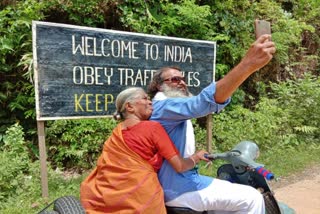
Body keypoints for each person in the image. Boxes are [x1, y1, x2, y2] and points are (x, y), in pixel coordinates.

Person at [147, 34, 276, 213]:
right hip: (179, 188)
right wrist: (248, 64)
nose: (182, 83)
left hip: (177, 181)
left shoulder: (167, 108)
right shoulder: (164, 105)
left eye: (183, 79)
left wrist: (197, 155)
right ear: (159, 86)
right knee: (251, 197)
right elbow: (203, 103)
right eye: (174, 79)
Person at [80, 87, 209, 214]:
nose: (150, 102)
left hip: (106, 197)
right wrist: (196, 157)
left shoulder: (117, 132)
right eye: (145, 98)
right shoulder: (153, 128)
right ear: (130, 107)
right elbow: (179, 166)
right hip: (140, 199)